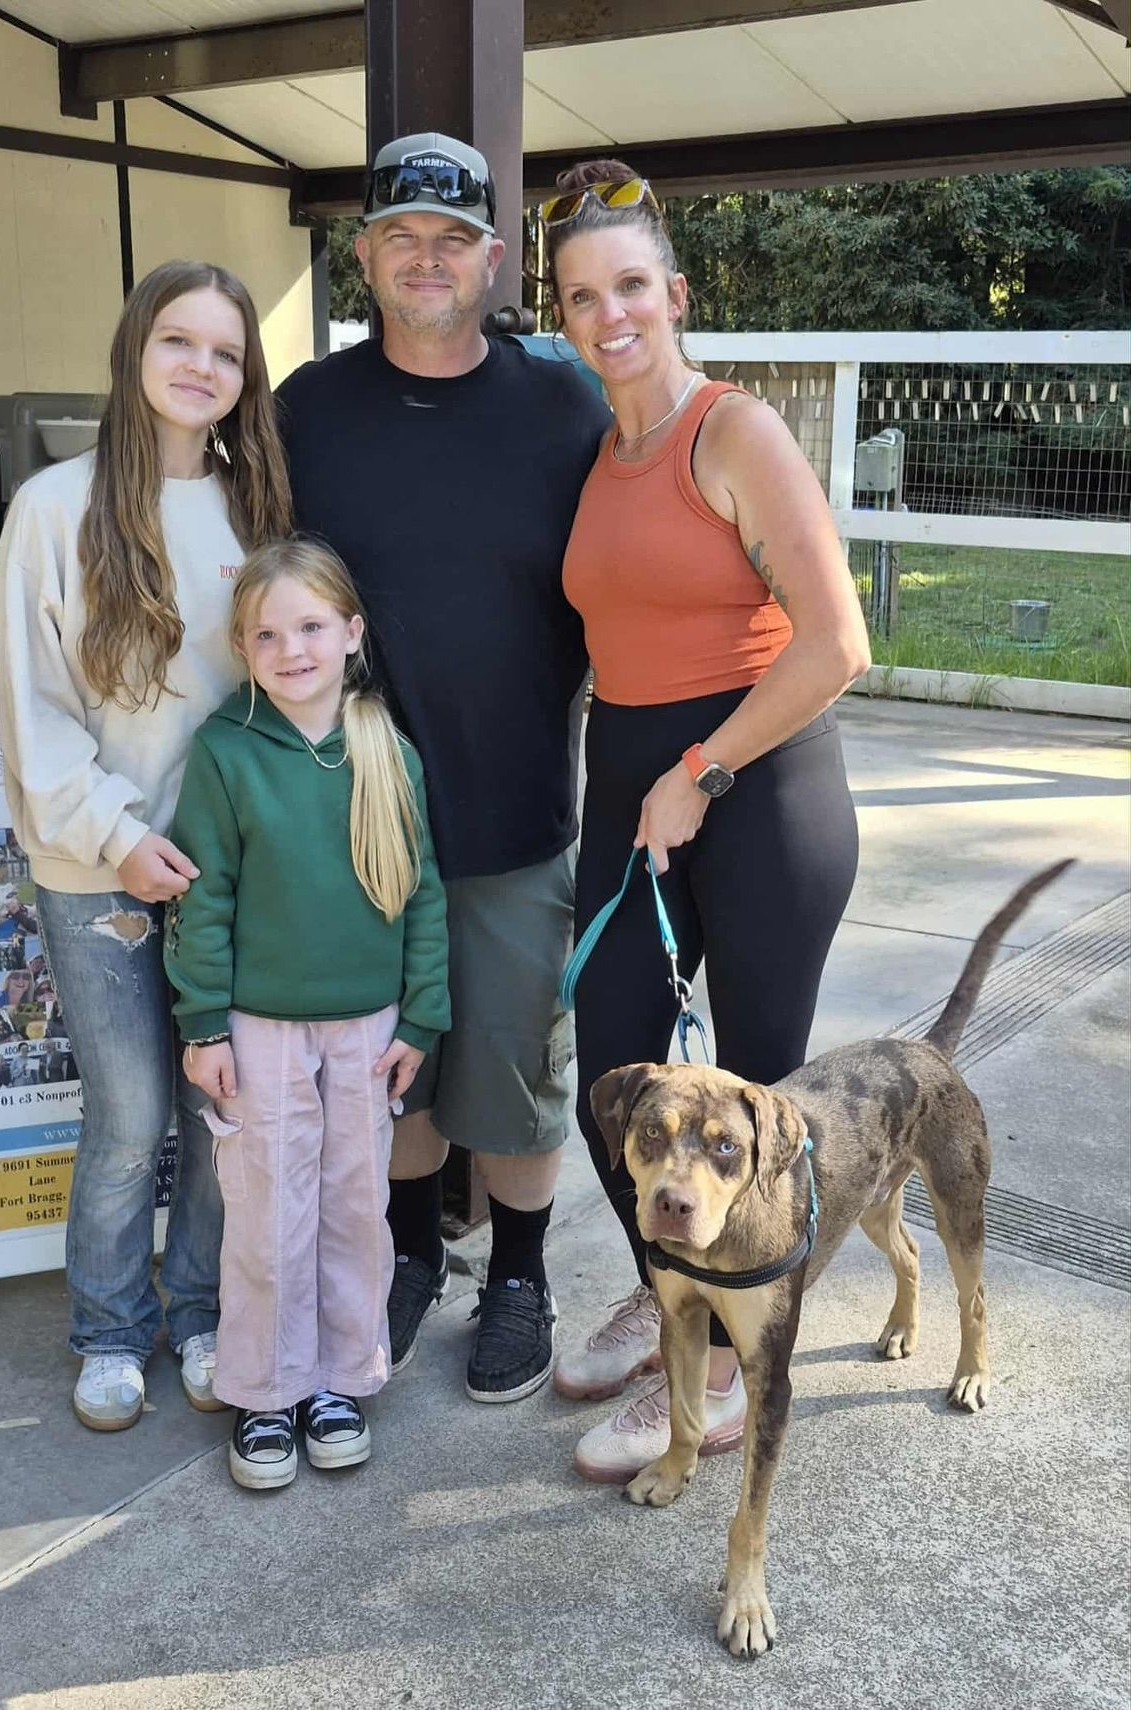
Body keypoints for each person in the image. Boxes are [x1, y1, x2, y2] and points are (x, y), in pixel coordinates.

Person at [541, 161, 871, 1479]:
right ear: (563, 317)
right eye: (582, 295)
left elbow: (836, 643)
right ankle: (668, 1280)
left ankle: (729, 1360)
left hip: (763, 783)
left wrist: (704, 773)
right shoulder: (599, 447)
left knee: (756, 1107)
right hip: (635, 782)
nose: (609, 313)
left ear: (673, 295)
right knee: (618, 1088)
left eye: (631, 286)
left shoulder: (733, 433)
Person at [276, 133, 609, 1404]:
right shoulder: (309, 410)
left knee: (515, 1067)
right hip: (359, 816)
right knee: (391, 1065)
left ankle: (518, 1277)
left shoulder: (562, 401)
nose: (428, 258)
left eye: (453, 238)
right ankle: (412, 1256)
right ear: (365, 254)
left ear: (492, 259)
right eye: (402, 236)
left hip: (518, 803)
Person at [0, 259, 292, 1432]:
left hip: (230, 876)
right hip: (98, 873)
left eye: (225, 353)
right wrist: (117, 839)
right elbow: (35, 709)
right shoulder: (54, 510)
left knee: (221, 1112)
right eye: (179, 341)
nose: (200, 368)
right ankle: (111, 1330)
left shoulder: (256, 512)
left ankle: (201, 1312)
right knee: (128, 1118)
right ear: (134, 350)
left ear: (242, 378)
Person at [166, 539, 450, 1489]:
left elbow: (421, 893)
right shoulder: (223, 751)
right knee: (266, 1212)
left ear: (352, 634)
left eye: (312, 627)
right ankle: (263, 1392)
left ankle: (337, 1379)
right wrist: (202, 1026)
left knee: (353, 1208)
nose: (292, 649)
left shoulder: (386, 750)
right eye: (268, 633)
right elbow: (201, 900)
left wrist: (421, 1019)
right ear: (242, 647)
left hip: (368, 1031)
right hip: (258, 1030)